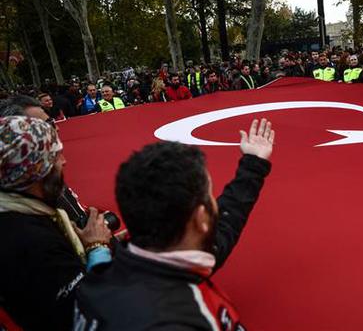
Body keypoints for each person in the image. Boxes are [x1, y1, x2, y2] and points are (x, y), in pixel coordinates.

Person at [73, 119, 275, 330]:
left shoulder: (103, 275)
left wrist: (253, 165)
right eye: (209, 197)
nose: (215, 204)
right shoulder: (177, 320)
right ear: (200, 219)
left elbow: (224, 226)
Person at [0, 116, 112, 331]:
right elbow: (93, 316)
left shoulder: (19, 216)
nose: (64, 161)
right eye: (55, 155)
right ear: (36, 169)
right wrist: (98, 249)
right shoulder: (30, 243)